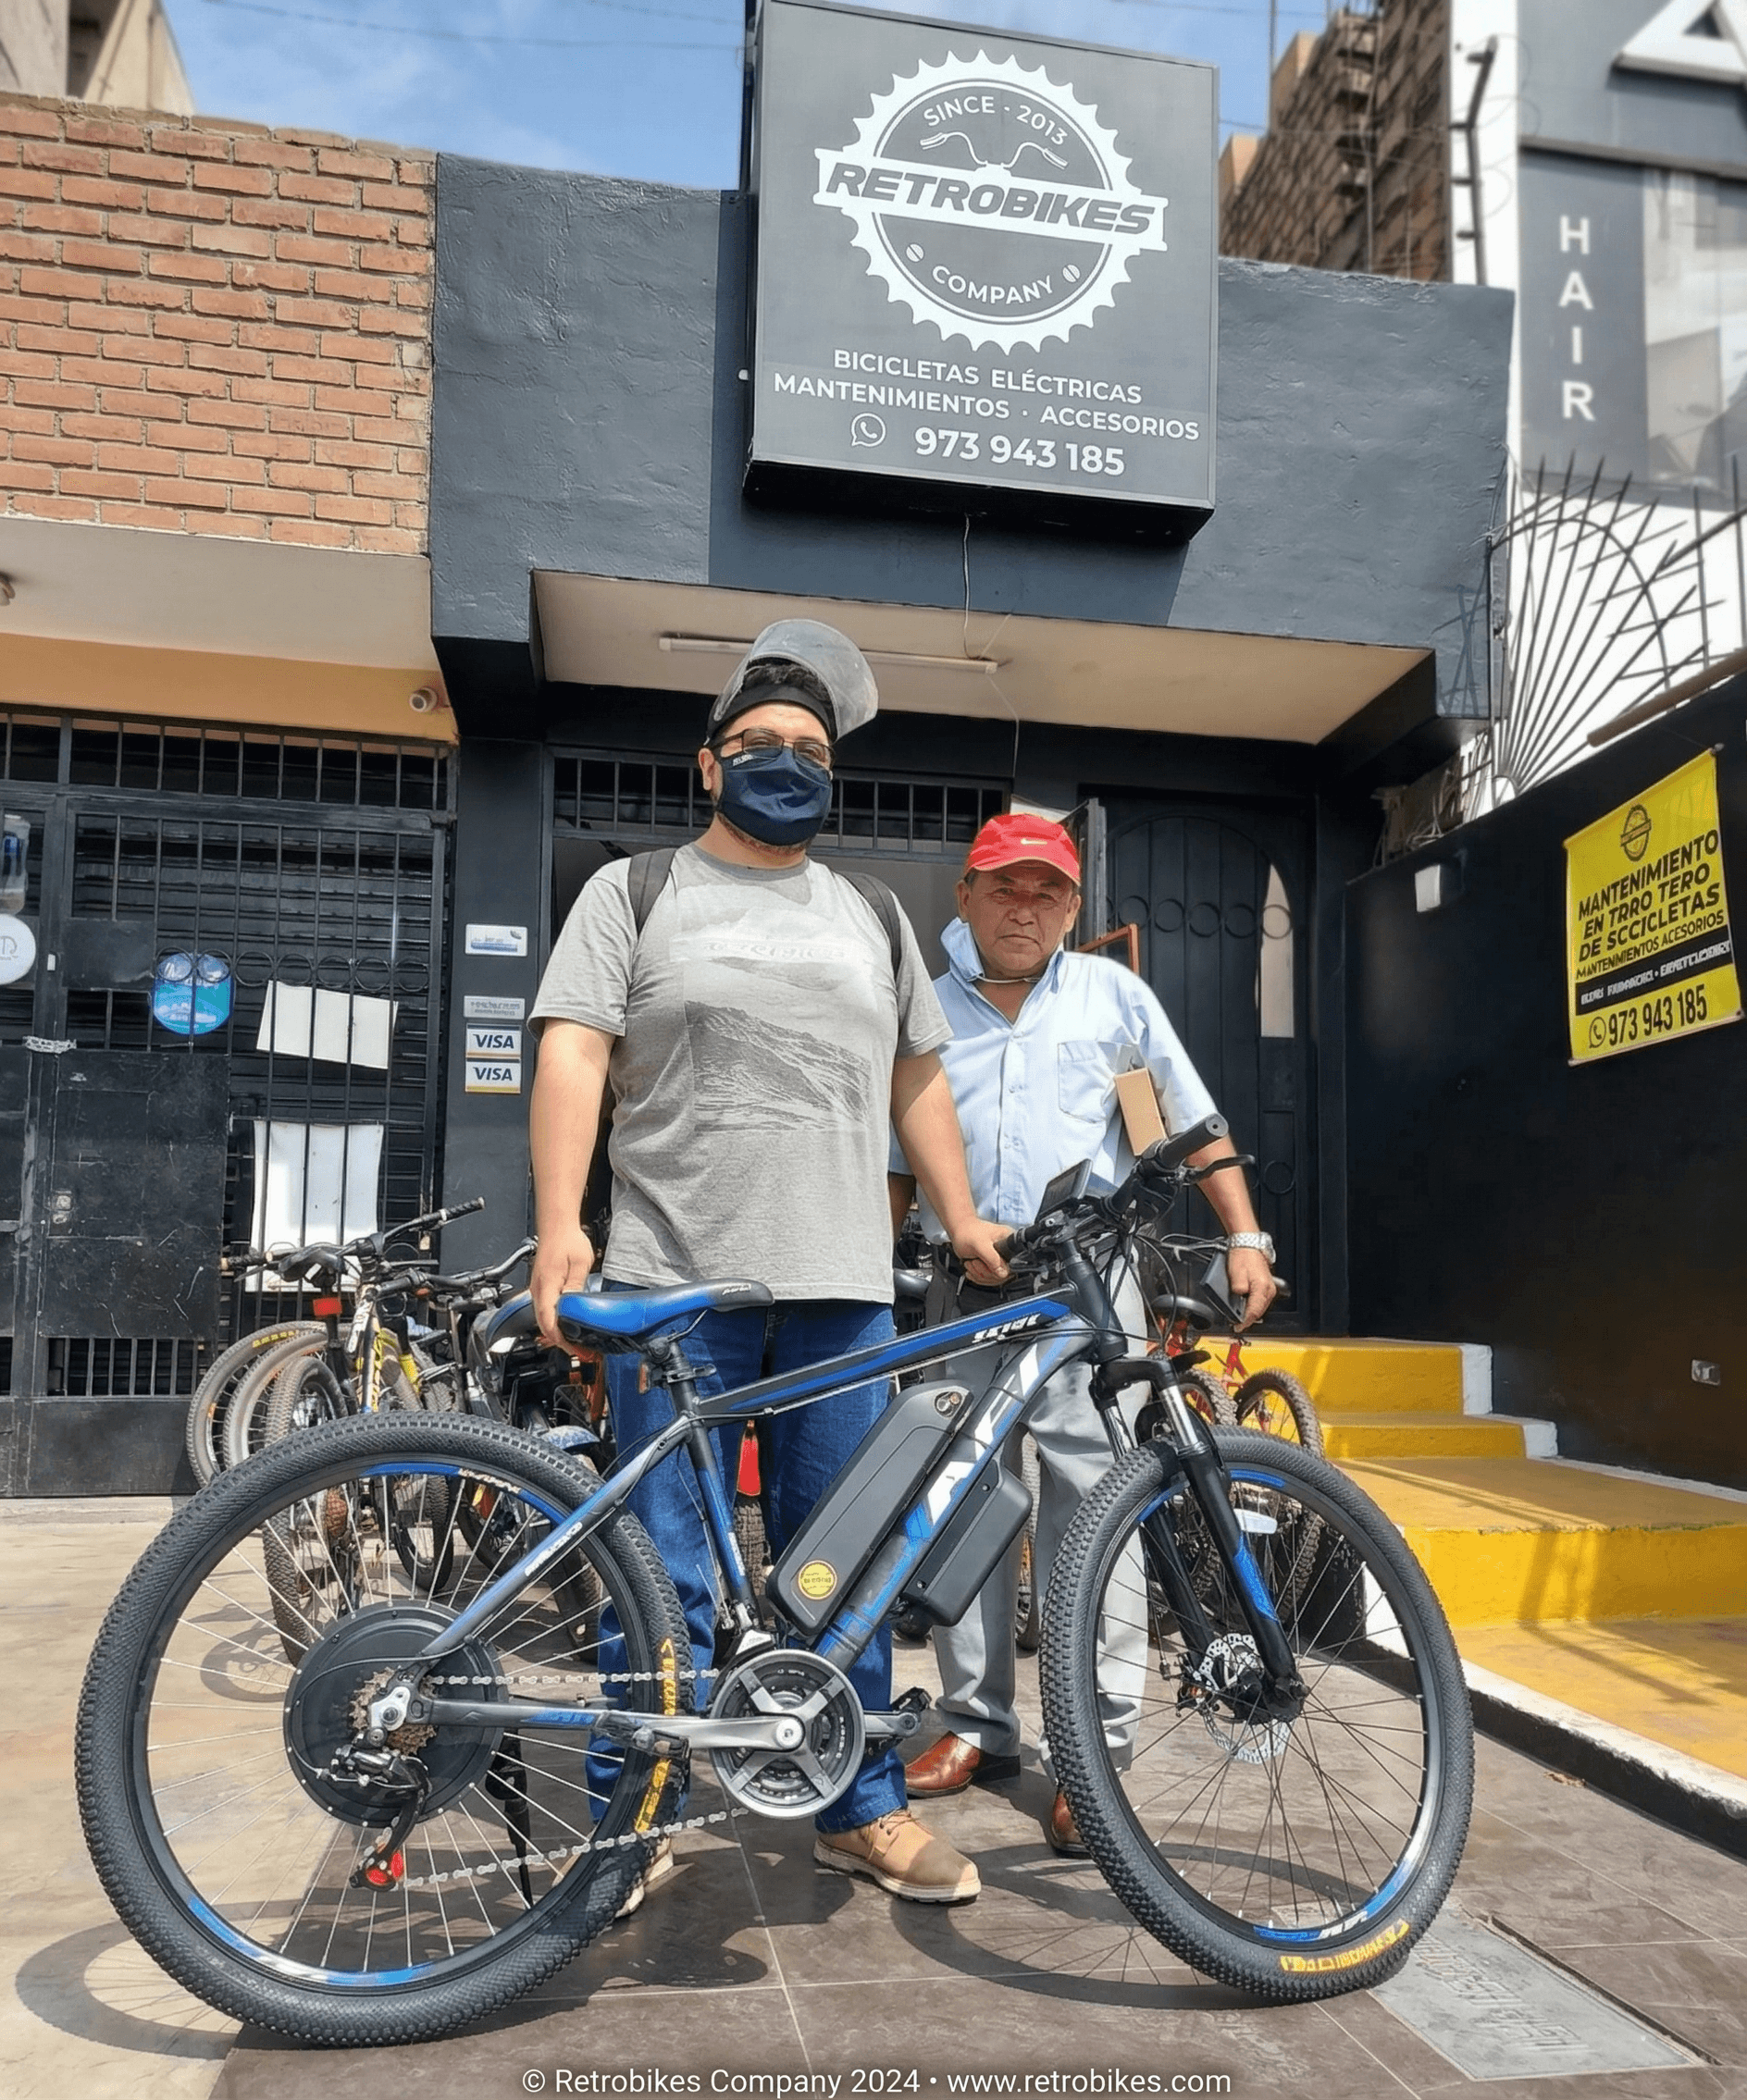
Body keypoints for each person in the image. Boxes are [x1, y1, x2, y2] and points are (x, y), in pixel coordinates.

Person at [528, 619, 1009, 1907]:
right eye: (759, 742)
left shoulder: (872, 913)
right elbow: (573, 1046)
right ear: (709, 762)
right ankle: (632, 1811)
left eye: (809, 747)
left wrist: (961, 1215)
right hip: (675, 1284)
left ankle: (858, 1806)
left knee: (845, 1563)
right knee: (661, 1564)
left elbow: (917, 1076)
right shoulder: (634, 892)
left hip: (842, 1289)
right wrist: (564, 1222)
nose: (785, 761)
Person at [887, 812, 1278, 1853]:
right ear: (965, 894)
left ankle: (1091, 1748)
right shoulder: (923, 1004)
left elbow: (1179, 1124)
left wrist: (1244, 1233)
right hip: (961, 1290)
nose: (1025, 908)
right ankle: (975, 1722)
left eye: (1047, 892)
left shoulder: (1111, 999)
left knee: (1097, 1510)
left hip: (1088, 1295)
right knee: (963, 1506)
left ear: (1071, 906)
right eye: (1004, 887)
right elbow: (895, 1158)